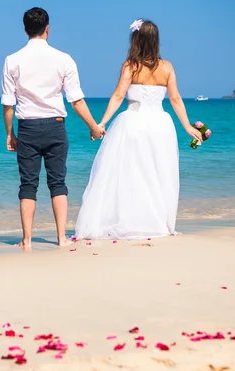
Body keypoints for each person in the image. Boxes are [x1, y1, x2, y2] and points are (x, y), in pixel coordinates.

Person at [74, 19, 203, 240]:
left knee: (132, 175)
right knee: (158, 174)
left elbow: (118, 96)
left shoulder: (130, 66)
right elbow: (175, 99)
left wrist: (102, 123)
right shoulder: (167, 67)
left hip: (133, 124)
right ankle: (156, 222)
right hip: (161, 127)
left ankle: (132, 220)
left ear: (136, 40)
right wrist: (187, 126)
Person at [1, 7, 105, 250]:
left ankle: (27, 241)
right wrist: (93, 126)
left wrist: (10, 133)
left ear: (25, 30)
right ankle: (61, 239)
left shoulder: (12, 60)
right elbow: (76, 100)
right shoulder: (64, 59)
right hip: (56, 127)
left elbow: (8, 104)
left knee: (28, 184)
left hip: (27, 128)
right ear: (47, 29)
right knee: (58, 182)